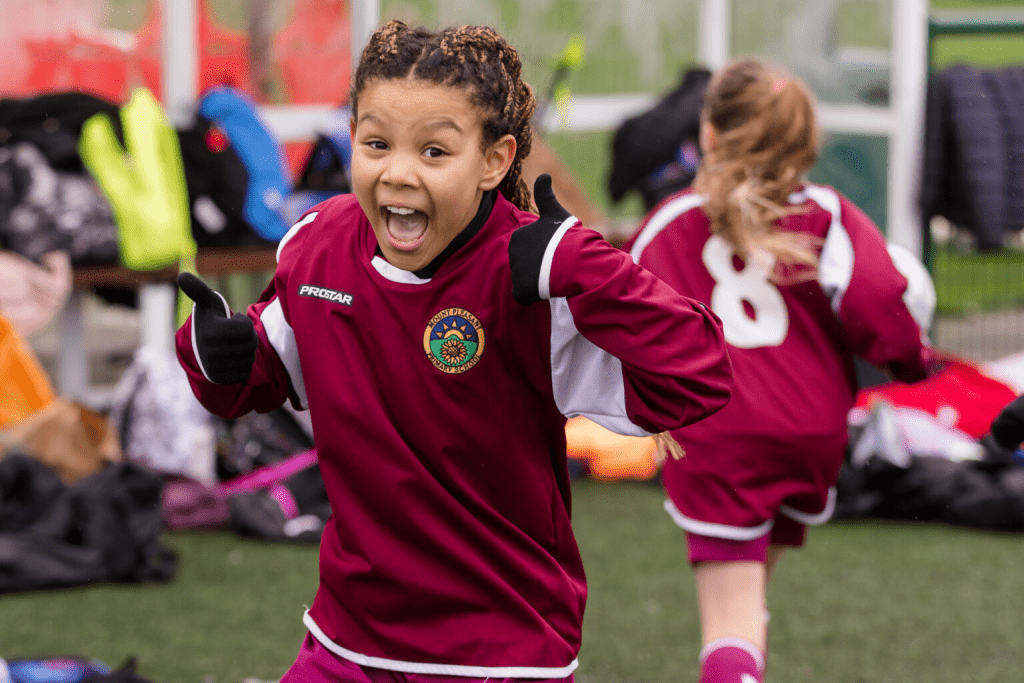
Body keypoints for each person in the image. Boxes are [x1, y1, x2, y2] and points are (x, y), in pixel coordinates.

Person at [174, 20, 734, 683]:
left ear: (494, 160)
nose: (398, 173)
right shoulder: (317, 244)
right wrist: (216, 353)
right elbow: (264, 373)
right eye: (376, 143)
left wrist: (590, 267)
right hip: (348, 641)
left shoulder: (534, 275)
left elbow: (700, 375)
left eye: (434, 152)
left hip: (500, 649)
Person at [624, 58, 934, 683]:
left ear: (708, 134)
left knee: (729, 615)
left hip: (720, 435)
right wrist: (913, 363)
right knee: (749, 596)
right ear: (804, 140)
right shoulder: (833, 216)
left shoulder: (671, 221)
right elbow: (881, 305)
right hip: (811, 435)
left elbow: (616, 315)